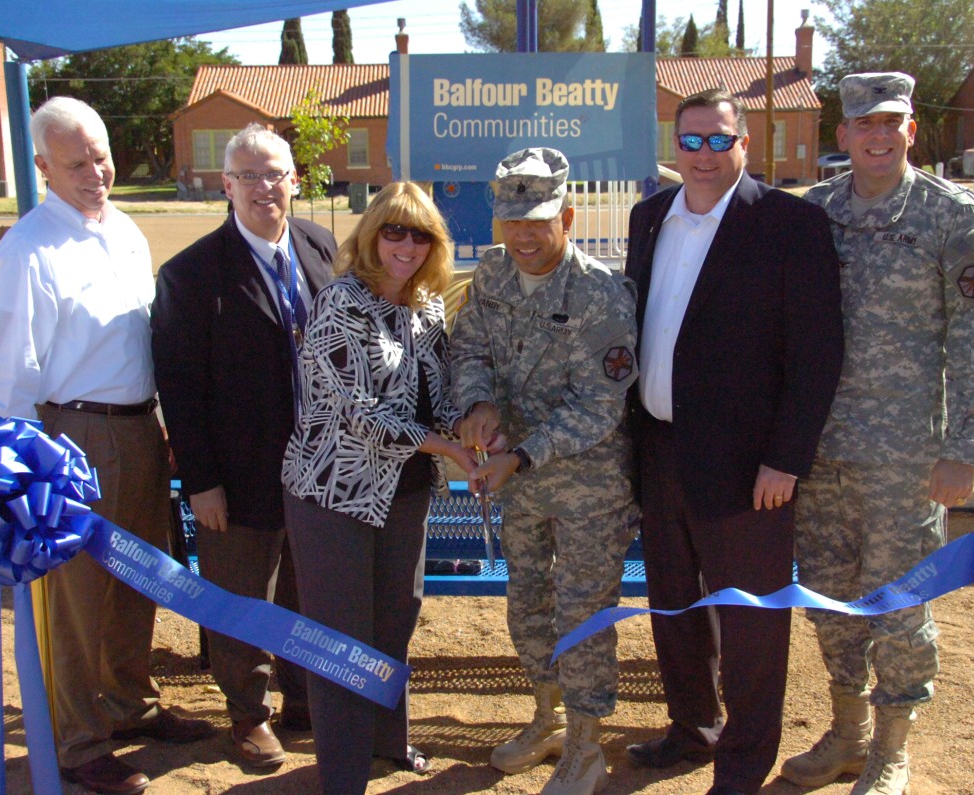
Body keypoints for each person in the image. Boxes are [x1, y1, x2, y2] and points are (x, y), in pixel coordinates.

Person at [0, 96, 214, 795]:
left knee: (135, 576)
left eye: (103, 156)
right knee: (77, 598)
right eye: (76, 162)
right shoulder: (27, 249)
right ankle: (78, 740)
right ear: (45, 165)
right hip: (70, 435)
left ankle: (130, 702)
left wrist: (165, 421)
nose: (95, 172)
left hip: (140, 428)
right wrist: (25, 470)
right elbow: (9, 373)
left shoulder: (125, 231)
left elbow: (144, 337)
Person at [780, 72, 974, 795]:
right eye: (863, 125)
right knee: (828, 597)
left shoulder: (949, 215)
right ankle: (846, 733)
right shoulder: (812, 214)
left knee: (899, 601)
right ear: (842, 136)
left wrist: (962, 446)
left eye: (892, 123)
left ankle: (892, 746)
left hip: (905, 456)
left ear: (911, 130)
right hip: (817, 451)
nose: (878, 136)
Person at [623, 88, 844, 795]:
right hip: (657, 450)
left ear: (745, 145)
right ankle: (693, 728)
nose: (705, 155)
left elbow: (817, 353)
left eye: (720, 140)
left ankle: (744, 761)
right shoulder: (649, 216)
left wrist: (787, 457)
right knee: (672, 603)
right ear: (674, 148)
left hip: (750, 466)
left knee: (751, 621)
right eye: (691, 141)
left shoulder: (789, 224)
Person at [451, 147, 640, 795]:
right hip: (519, 482)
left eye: (539, 220)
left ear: (569, 216)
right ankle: (548, 716)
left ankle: (586, 747)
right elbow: (469, 346)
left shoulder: (598, 292)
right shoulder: (494, 275)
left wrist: (519, 454)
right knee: (527, 602)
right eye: (513, 220)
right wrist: (476, 404)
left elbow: (600, 406)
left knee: (582, 612)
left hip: (587, 486)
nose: (525, 235)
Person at [150, 123, 336, 769]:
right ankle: (247, 715)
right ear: (225, 185)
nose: (264, 186)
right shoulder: (190, 274)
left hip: (320, 473)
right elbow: (179, 386)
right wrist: (200, 481)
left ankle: (306, 699)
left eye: (275, 172)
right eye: (249, 175)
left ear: (295, 180)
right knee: (240, 598)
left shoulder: (321, 246)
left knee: (307, 590)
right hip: (235, 475)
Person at [281, 181, 476, 795]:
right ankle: (343, 770)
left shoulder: (430, 305)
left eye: (421, 235)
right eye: (394, 230)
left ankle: (388, 744)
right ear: (370, 235)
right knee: (342, 634)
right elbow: (352, 408)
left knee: (396, 620)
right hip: (335, 491)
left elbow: (438, 397)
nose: (407, 245)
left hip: (406, 489)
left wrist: (471, 428)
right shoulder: (340, 302)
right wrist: (442, 445)